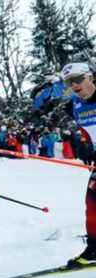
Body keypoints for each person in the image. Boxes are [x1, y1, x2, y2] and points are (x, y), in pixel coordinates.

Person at [59, 63, 96, 267]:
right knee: (92, 202)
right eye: (69, 82)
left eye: (78, 79)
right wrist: (84, 145)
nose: (74, 85)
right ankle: (95, 248)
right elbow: (86, 131)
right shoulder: (74, 106)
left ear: (90, 76)